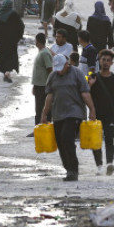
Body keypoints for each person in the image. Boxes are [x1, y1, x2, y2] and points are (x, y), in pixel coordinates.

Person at [41, 53, 97, 182]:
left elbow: (85, 93)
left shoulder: (76, 73)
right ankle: (68, 169)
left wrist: (92, 110)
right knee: (60, 141)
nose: (60, 71)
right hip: (58, 114)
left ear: (67, 64)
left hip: (75, 112)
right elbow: (49, 96)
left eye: (62, 67)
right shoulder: (53, 76)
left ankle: (73, 170)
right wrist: (44, 114)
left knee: (66, 137)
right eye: (58, 68)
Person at [88, 49, 114, 176]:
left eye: (108, 60)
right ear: (99, 61)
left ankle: (109, 163)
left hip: (111, 114)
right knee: (96, 141)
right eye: (103, 60)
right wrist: (90, 85)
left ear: (111, 63)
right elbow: (84, 94)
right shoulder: (92, 77)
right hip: (96, 115)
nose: (105, 62)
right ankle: (99, 166)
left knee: (110, 139)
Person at [0, 0, 25, 82]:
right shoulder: (14, 14)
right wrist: (19, 36)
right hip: (12, 41)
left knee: (3, 55)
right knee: (10, 56)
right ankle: (7, 73)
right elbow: (21, 26)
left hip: (1, 41)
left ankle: (5, 72)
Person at [31, 33, 53, 126]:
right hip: (38, 85)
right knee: (39, 107)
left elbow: (50, 69)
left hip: (43, 86)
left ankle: (42, 126)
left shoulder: (45, 53)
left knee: (42, 107)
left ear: (37, 41)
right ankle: (39, 127)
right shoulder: (42, 52)